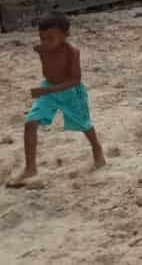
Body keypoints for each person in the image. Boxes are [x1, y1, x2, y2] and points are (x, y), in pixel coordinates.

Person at [6, 12, 105, 187]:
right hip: (48, 90)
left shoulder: (72, 52)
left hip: (71, 93)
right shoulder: (42, 49)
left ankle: (97, 149)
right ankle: (30, 168)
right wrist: (47, 89)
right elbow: (45, 61)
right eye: (41, 38)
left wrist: (48, 90)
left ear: (66, 35)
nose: (45, 43)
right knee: (30, 123)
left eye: (50, 38)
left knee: (84, 124)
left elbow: (75, 80)